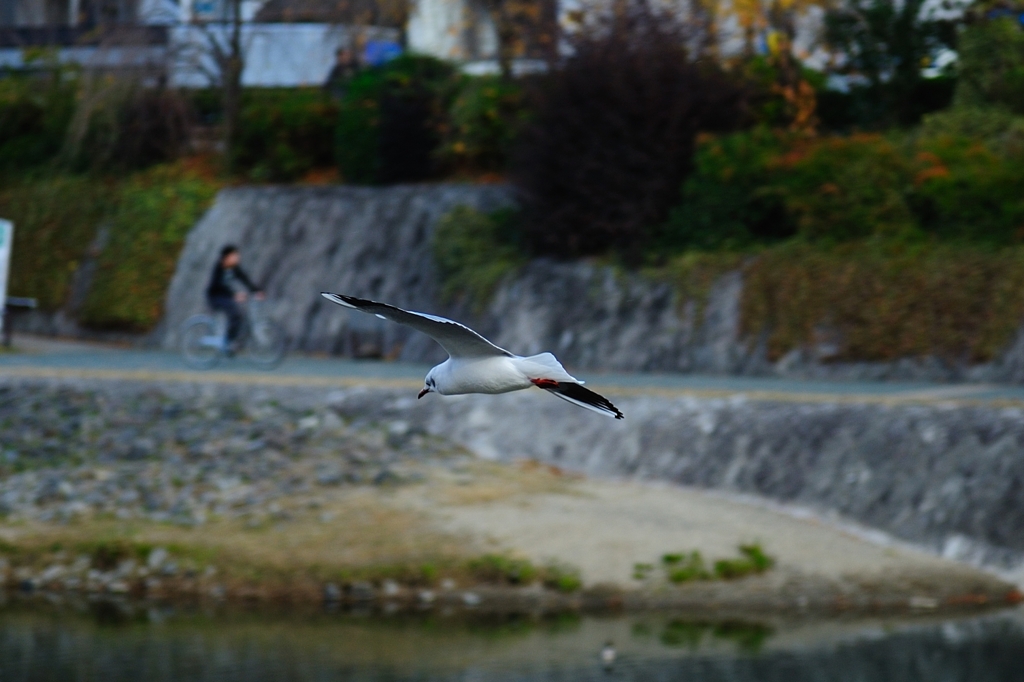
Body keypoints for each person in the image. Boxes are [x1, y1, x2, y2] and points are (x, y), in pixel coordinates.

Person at [205, 245, 263, 353]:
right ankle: (228, 343)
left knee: (239, 314)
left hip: (226, 296)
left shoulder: (234, 268)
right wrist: (234, 295)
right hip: (215, 297)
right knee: (235, 314)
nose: (237, 258)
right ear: (227, 257)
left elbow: (244, 278)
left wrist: (256, 290)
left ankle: (232, 340)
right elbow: (218, 285)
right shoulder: (219, 267)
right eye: (234, 256)